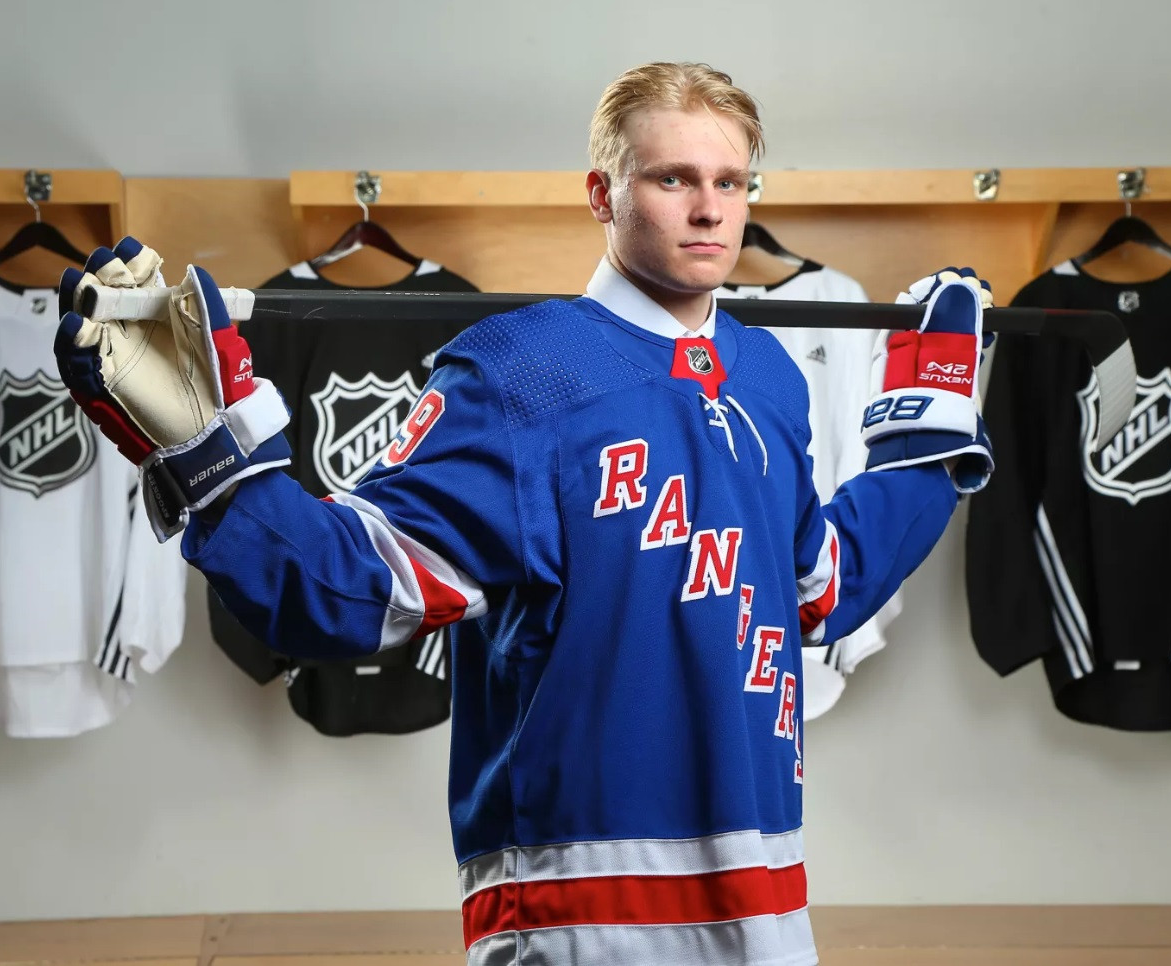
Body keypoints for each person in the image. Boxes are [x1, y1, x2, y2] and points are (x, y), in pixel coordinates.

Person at [54, 62, 992, 966]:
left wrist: (927, 436)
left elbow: (817, 590)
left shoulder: (768, 378)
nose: (709, 209)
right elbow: (349, 590)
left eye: (729, 181)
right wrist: (211, 463)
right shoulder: (516, 374)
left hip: (768, 909)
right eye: (671, 178)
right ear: (602, 194)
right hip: (577, 918)